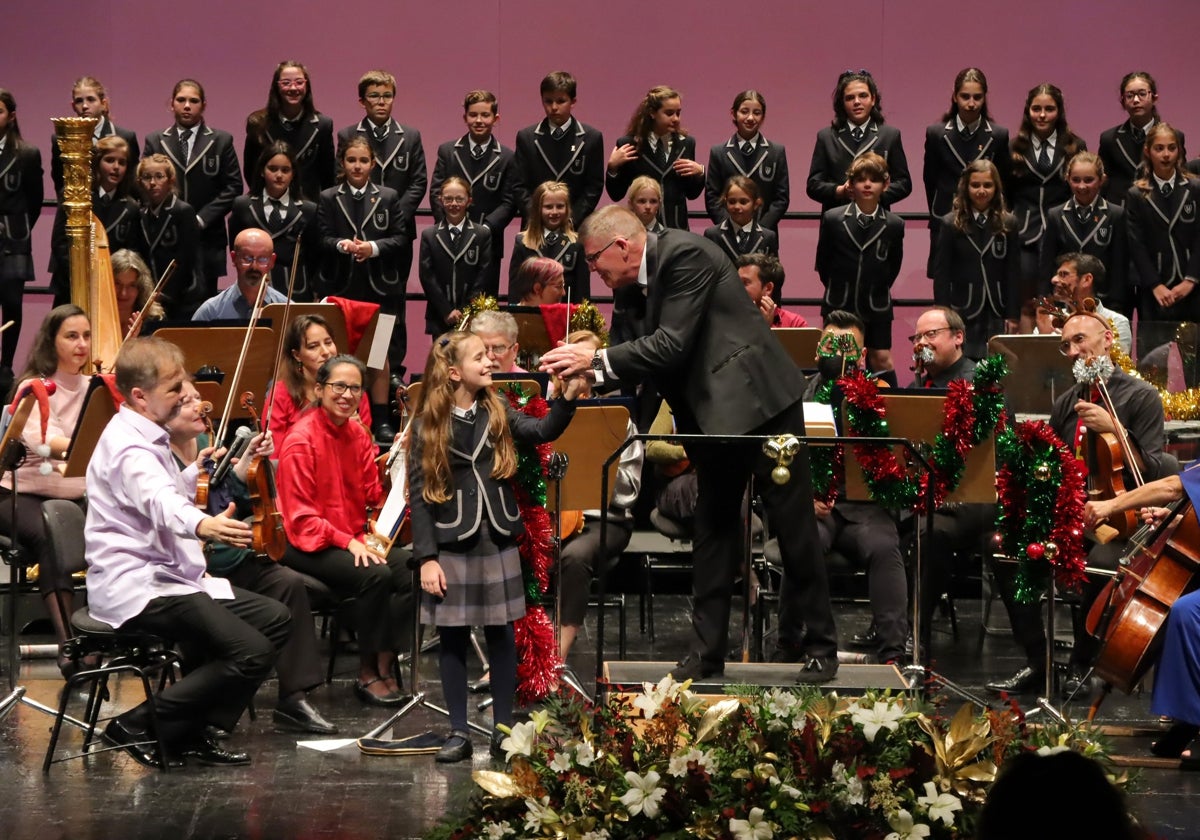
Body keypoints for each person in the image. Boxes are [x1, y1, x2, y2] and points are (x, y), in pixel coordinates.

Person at [540, 205, 839, 683]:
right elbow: (643, 362)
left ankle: (822, 648)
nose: (593, 271)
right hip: (712, 416)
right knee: (713, 530)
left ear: (621, 246)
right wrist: (589, 377)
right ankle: (707, 653)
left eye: (595, 260)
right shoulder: (632, 285)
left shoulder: (685, 254)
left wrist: (594, 362)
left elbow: (670, 344)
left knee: (793, 524)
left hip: (761, 405)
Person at [85, 337, 290, 768]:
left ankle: (187, 731)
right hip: (138, 585)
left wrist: (193, 475)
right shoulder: (129, 447)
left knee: (274, 619)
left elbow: (152, 496)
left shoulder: (147, 434)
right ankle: (139, 724)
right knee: (249, 650)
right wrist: (203, 523)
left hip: (168, 577)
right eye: (174, 387)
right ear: (140, 396)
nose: (186, 396)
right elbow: (158, 501)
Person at [408, 331, 581, 762]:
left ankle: (504, 728)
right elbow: (418, 492)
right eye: (479, 357)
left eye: (490, 355)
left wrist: (567, 399)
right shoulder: (429, 422)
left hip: (497, 536)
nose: (490, 362)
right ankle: (458, 732)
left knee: (502, 634)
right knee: (451, 639)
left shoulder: (498, 407)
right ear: (453, 372)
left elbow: (542, 430)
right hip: (453, 540)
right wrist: (427, 558)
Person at [988, 310, 1175, 696]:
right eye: (1065, 345)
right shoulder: (1068, 402)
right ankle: (1037, 661)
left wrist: (1116, 430)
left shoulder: (1141, 397)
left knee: (1097, 565)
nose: (1072, 351)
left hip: (1124, 519)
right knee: (1007, 554)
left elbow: (1156, 469)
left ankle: (1083, 663)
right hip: (1071, 515)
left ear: (1108, 340)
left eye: (1079, 341)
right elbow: (1052, 461)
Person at [164, 379, 335, 735]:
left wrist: (250, 465)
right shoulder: (158, 457)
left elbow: (239, 500)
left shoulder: (210, 446)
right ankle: (208, 708)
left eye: (199, 398)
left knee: (287, 583)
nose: (198, 406)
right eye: (186, 402)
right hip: (195, 568)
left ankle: (294, 697)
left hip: (233, 558)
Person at [276, 354, 412, 706]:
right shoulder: (300, 440)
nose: (347, 395)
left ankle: (385, 658)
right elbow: (302, 520)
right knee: (376, 575)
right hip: (305, 542)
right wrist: (349, 543)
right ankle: (367, 673)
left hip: (350, 537)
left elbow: (372, 494)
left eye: (355, 388)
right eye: (339, 386)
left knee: (416, 570)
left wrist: (396, 463)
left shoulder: (358, 434)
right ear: (319, 389)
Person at [804, 310, 908, 665]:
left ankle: (893, 653)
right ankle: (796, 644)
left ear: (862, 355)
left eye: (847, 347)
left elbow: (896, 466)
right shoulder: (801, 394)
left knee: (883, 547)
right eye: (830, 345)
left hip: (867, 507)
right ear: (818, 350)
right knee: (803, 540)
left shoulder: (881, 396)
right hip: (817, 506)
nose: (838, 354)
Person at [0, 306, 91, 677]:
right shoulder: (33, 388)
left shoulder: (98, 389)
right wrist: (92, 443)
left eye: (86, 335)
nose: (81, 344)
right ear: (51, 343)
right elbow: (47, 444)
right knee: (55, 534)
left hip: (73, 495)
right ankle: (71, 644)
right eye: (71, 336)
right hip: (19, 495)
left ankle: (107, 631)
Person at [907, 307, 995, 654]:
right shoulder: (921, 381)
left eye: (931, 335)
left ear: (958, 337)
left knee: (930, 532)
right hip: (932, 493)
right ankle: (896, 625)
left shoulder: (979, 381)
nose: (922, 343)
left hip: (975, 494)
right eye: (917, 338)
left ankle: (917, 630)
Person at [552, 330, 641, 661]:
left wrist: (594, 469)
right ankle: (510, 656)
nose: (580, 378)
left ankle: (555, 659)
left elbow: (629, 492)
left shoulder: (618, 420)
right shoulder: (547, 415)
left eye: (586, 370)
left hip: (605, 520)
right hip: (553, 516)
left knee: (574, 557)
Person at [317, 137, 407, 440]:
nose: (357, 166)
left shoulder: (388, 196)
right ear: (342, 163)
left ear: (373, 163)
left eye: (363, 161)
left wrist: (372, 247)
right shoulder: (329, 197)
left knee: (378, 352)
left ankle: (380, 418)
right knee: (338, 353)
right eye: (352, 160)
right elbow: (322, 238)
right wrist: (341, 244)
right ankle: (338, 412)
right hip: (341, 288)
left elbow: (401, 238)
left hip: (377, 289)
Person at [143, 79, 243, 308]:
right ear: (172, 104)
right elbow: (144, 184)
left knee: (203, 307)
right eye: (181, 100)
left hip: (207, 239)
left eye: (193, 101)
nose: (187, 105)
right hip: (165, 240)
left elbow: (233, 186)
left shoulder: (221, 140)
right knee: (164, 307)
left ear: (204, 105)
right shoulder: (156, 140)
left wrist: (200, 218)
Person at [336, 69, 427, 303]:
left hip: (398, 234)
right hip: (357, 231)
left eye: (387, 96)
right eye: (374, 96)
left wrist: (393, 216)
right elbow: (340, 181)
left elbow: (418, 182)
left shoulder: (410, 136)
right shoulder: (347, 134)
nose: (381, 102)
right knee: (357, 301)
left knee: (393, 302)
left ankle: (388, 342)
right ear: (362, 101)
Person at [815, 152, 904, 381]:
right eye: (861, 179)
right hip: (839, 299)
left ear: (885, 185)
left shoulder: (894, 224)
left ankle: (887, 411)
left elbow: (893, 266)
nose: (867, 185)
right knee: (835, 358)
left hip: (877, 303)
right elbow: (823, 263)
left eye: (873, 180)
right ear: (851, 184)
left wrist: (874, 286)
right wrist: (838, 286)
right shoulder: (833, 219)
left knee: (881, 357)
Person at [430, 90, 517, 298]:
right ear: (465, 117)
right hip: (448, 240)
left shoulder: (507, 157)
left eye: (485, 115)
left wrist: (484, 229)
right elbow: (435, 192)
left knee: (483, 308)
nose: (479, 120)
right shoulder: (448, 151)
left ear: (496, 119)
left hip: (488, 243)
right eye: (473, 115)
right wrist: (452, 227)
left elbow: (509, 201)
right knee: (449, 306)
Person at [922, 68, 1009, 276]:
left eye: (977, 97)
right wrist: (940, 212)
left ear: (984, 98)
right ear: (954, 96)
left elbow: (1004, 181)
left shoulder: (998, 135)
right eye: (965, 96)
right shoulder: (936, 134)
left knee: (982, 278)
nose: (971, 103)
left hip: (985, 220)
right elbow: (930, 180)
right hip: (945, 215)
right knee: (945, 283)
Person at [1007, 83, 1086, 309]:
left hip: (1063, 232)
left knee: (1065, 299)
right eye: (1036, 109)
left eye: (1049, 109)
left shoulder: (1075, 145)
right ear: (1028, 111)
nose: (1042, 115)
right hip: (1024, 234)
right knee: (1028, 302)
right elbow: (1006, 192)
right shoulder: (1013, 147)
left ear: (1059, 112)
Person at [929, 159, 1019, 359]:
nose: (981, 191)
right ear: (966, 187)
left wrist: (1013, 314)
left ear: (996, 188)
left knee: (997, 361)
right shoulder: (950, 223)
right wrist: (944, 312)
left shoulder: (1008, 223)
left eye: (987, 185)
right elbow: (941, 272)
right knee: (964, 360)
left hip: (997, 307)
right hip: (963, 306)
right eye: (975, 185)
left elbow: (1013, 272)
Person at [50, 134, 142, 306]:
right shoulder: (75, 196)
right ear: (97, 163)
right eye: (110, 160)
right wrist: (81, 276)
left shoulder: (131, 207)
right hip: (71, 285)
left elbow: (131, 251)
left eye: (122, 163)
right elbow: (60, 244)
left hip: (111, 290)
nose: (116, 167)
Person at [1125, 123, 1200, 334]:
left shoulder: (1194, 188)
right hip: (1155, 289)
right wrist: (1155, 285)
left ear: (1179, 151)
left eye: (1171, 148)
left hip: (1192, 286)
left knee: (1194, 359)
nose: (1166, 154)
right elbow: (1136, 244)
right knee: (1153, 360)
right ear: (1148, 151)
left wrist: (1191, 280)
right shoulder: (1136, 194)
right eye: (1159, 148)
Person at [806, 70, 911, 213]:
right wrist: (840, 191)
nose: (857, 102)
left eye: (863, 96)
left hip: (878, 220)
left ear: (873, 99)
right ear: (842, 103)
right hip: (837, 221)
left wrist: (874, 194)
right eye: (849, 98)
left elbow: (904, 184)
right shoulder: (826, 137)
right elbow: (813, 185)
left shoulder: (890, 136)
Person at [228, 140, 320, 301]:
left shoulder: (308, 210)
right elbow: (236, 251)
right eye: (273, 169)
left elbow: (314, 256)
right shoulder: (243, 206)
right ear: (262, 171)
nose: (279, 175)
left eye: (285, 170)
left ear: (293, 174)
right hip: (254, 289)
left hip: (296, 290)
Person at [513, 71, 604, 232]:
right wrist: (538, 216)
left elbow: (593, 187)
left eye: (561, 101)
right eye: (548, 101)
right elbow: (520, 186)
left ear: (573, 101)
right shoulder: (526, 137)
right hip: (535, 227)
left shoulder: (591, 138)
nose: (554, 107)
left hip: (574, 226)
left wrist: (570, 218)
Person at [605, 85, 704, 231]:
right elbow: (616, 194)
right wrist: (612, 168)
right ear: (652, 113)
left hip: (676, 228)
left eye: (678, 113)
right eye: (669, 113)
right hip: (640, 228)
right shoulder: (629, 144)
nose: (676, 119)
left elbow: (692, 194)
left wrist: (699, 173)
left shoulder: (687, 143)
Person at [1040, 152, 1129, 314]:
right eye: (1076, 180)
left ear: (1102, 180)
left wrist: (1117, 305)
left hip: (1102, 300)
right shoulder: (1056, 215)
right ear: (1067, 178)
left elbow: (1119, 265)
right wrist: (1046, 302)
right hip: (1065, 301)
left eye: (1089, 180)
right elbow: (1047, 262)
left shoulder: (1115, 214)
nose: (1082, 186)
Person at [266, 313, 372, 447]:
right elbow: (274, 455)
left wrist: (356, 432)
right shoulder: (281, 392)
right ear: (297, 355)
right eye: (313, 346)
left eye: (328, 343)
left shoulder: (352, 389)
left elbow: (367, 450)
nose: (326, 352)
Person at [0, 88, 44, 392]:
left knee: (12, 303)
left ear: (11, 116)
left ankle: (5, 367)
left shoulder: (26, 152)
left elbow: (35, 200)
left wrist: (18, 228)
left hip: (13, 238)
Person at [242, 61, 335, 202]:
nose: (293, 88)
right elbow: (251, 171)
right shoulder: (258, 123)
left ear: (307, 86)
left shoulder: (322, 125)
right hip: (266, 206)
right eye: (286, 83)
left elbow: (328, 175)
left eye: (299, 82)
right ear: (276, 86)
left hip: (308, 209)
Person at [705, 90, 789, 231]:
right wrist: (731, 227)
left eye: (757, 113)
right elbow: (712, 197)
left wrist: (759, 229)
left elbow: (781, 199)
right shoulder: (719, 152)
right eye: (744, 111)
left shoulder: (776, 152)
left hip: (764, 234)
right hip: (727, 234)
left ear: (763, 117)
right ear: (733, 113)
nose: (750, 118)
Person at [419, 176, 492, 337]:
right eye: (448, 199)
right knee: (442, 359)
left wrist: (465, 311)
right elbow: (427, 276)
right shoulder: (429, 235)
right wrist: (446, 310)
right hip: (440, 315)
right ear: (440, 200)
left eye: (459, 199)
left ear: (469, 201)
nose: (454, 204)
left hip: (471, 315)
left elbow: (484, 275)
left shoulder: (482, 234)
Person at [133, 153, 200, 319]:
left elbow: (187, 259)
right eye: (147, 177)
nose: (153, 183)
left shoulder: (183, 211)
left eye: (159, 177)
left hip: (180, 298)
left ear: (170, 180)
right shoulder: (141, 215)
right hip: (150, 298)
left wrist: (165, 294)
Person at [50, 75, 139, 196]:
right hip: (77, 207)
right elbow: (60, 180)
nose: (85, 106)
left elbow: (131, 181)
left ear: (103, 104)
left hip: (115, 208)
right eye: (79, 101)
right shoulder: (62, 139)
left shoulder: (124, 137)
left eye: (91, 100)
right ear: (73, 106)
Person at [508, 180, 589, 302]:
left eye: (560, 206)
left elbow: (582, 291)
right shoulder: (523, 242)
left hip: (563, 316)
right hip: (531, 317)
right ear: (538, 209)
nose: (554, 212)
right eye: (548, 207)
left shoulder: (576, 244)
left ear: (567, 209)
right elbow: (515, 289)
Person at [1036, 253, 1132, 355]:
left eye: (1064, 274)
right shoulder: (1050, 321)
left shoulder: (1117, 322)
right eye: (1057, 274)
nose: (1054, 279)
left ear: (1087, 279)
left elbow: (1118, 365)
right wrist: (1045, 338)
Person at [192, 228, 286, 321]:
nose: (254, 267)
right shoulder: (210, 313)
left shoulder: (288, 310)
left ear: (272, 261)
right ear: (234, 258)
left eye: (262, 259)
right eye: (247, 258)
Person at [703, 176, 779, 266]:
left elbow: (775, 275)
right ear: (725, 202)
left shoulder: (768, 237)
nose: (737, 207)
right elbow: (707, 269)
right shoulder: (713, 235)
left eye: (743, 202)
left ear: (756, 204)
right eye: (732, 202)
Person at [736, 253, 807, 327]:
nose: (736, 287)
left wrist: (766, 328)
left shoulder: (795, 324)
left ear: (768, 288)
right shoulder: (727, 321)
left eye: (745, 282)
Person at [111, 249, 165, 336]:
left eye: (132, 285)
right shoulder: (92, 319)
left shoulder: (153, 324)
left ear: (141, 289)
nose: (123, 293)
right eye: (117, 283)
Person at [467, 310, 524, 374]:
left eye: (498, 349)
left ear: (514, 351)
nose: (490, 357)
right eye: (483, 349)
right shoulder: (465, 382)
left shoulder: (527, 382)